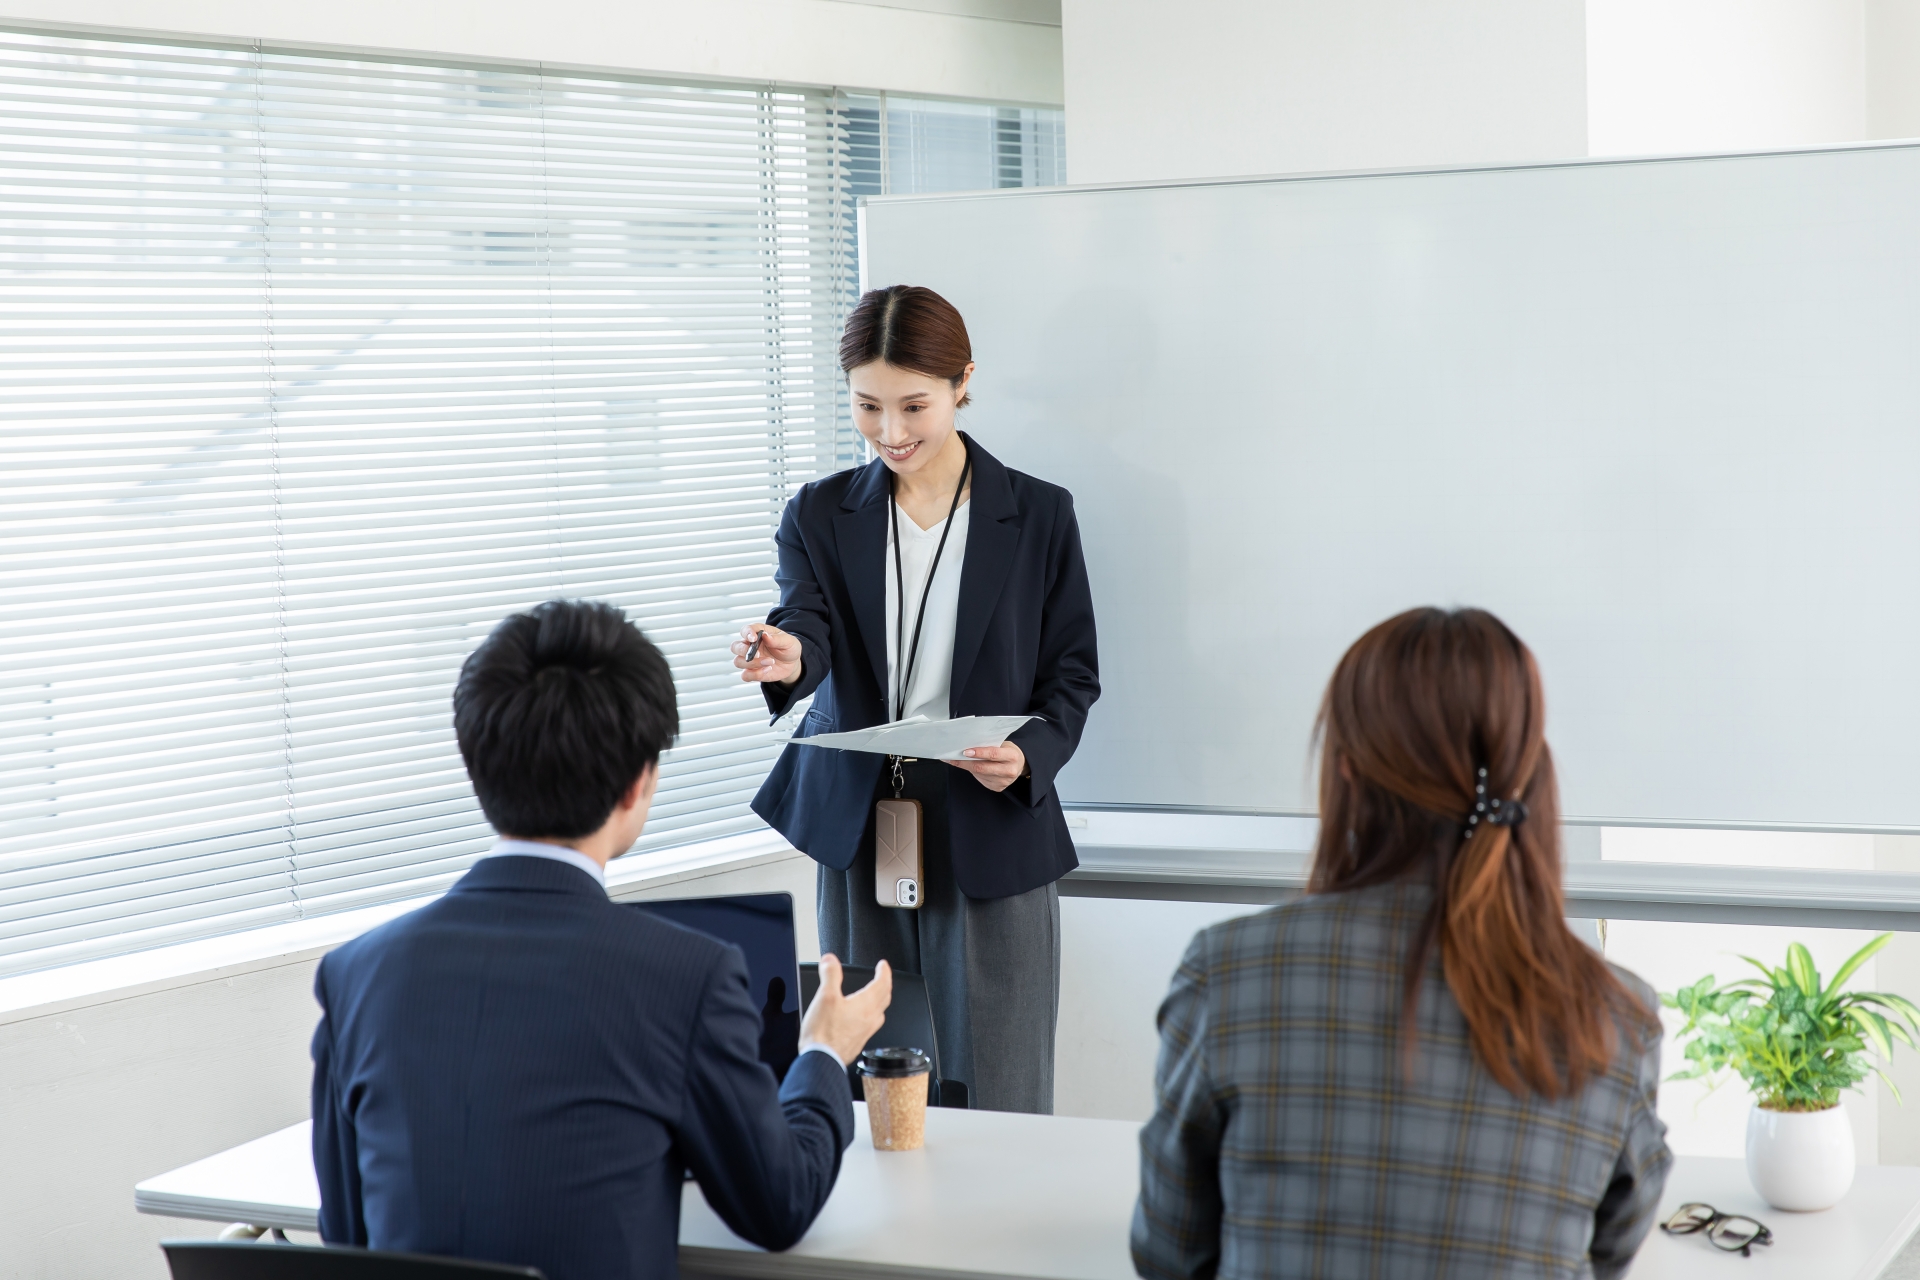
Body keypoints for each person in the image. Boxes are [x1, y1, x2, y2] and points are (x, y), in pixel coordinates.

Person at [311, 600, 892, 1280]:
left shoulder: (356, 973)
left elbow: (347, 1235)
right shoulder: (683, 976)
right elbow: (777, 1206)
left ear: (476, 766)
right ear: (637, 783)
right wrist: (824, 1051)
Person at [1132, 607, 1672, 1280]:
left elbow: (1168, 1252)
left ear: (1349, 771)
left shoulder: (1229, 972)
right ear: (1527, 772)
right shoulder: (1616, 1015)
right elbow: (1608, 1251)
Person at [733, 285, 1100, 1114]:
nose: (891, 433)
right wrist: (788, 653)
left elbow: (1072, 675)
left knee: (1001, 1092)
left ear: (963, 383)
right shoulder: (821, 513)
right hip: (861, 823)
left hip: (990, 812)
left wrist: (1030, 756)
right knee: (868, 1089)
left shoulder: (1038, 514)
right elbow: (807, 623)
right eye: (867, 405)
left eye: (915, 406)